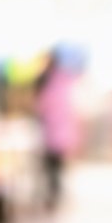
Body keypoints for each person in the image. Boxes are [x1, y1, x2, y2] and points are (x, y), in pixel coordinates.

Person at [33, 47, 80, 213]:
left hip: (54, 129)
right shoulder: (62, 79)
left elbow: (42, 105)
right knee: (54, 165)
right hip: (56, 129)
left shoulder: (52, 79)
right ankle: (53, 194)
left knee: (53, 165)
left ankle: (53, 195)